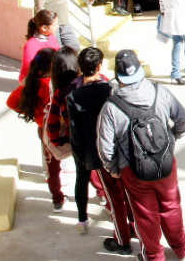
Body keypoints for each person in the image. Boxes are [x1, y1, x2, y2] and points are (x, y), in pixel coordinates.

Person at [96, 49, 185, 261]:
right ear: (139, 71)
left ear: (118, 78)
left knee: (144, 213)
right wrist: (173, 139)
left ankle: (154, 255)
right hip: (166, 162)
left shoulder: (110, 108)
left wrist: (114, 169)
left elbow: (105, 148)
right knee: (171, 204)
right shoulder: (161, 92)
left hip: (134, 170)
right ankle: (181, 246)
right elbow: (183, 120)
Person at [67, 47, 133, 255]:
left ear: (80, 68)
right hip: (117, 151)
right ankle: (132, 227)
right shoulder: (110, 89)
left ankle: (116, 236)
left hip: (95, 155)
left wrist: (81, 157)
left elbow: (75, 133)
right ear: (99, 66)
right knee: (125, 193)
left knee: (114, 199)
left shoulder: (74, 96)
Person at [45, 47, 107, 233]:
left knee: (82, 178)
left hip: (79, 142)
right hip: (103, 140)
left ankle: (82, 220)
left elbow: (52, 123)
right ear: (99, 66)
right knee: (109, 179)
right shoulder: (106, 84)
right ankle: (114, 209)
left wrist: (58, 141)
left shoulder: (64, 91)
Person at [6, 48, 63, 210]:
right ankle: (101, 193)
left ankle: (57, 199)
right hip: (63, 128)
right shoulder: (55, 84)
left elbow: (11, 102)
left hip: (44, 130)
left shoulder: (30, 84)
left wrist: (34, 113)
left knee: (52, 167)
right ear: (52, 65)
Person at [18, 9, 61, 84]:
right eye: (55, 24)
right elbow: (29, 68)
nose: (57, 26)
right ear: (44, 28)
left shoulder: (51, 37)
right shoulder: (31, 45)